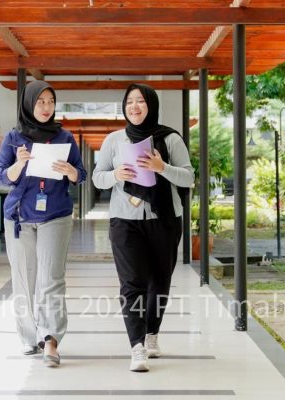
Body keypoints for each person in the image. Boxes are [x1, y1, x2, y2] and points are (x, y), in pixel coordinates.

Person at [92, 83, 194, 372]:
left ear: (151, 105)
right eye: (129, 102)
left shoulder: (170, 138)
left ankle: (151, 334)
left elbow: (188, 178)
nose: (134, 106)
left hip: (164, 219)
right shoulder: (114, 140)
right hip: (125, 221)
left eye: (140, 101)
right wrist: (115, 174)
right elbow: (98, 178)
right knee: (131, 283)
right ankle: (136, 346)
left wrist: (162, 168)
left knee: (159, 282)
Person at [0, 80, 86, 368]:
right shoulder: (13, 137)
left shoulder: (65, 137)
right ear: (28, 104)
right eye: (40, 102)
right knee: (24, 279)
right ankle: (28, 336)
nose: (46, 107)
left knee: (52, 279)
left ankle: (50, 338)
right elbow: (0, 176)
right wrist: (19, 164)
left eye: (50, 101)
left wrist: (71, 171)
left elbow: (81, 174)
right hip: (19, 217)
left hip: (55, 215)